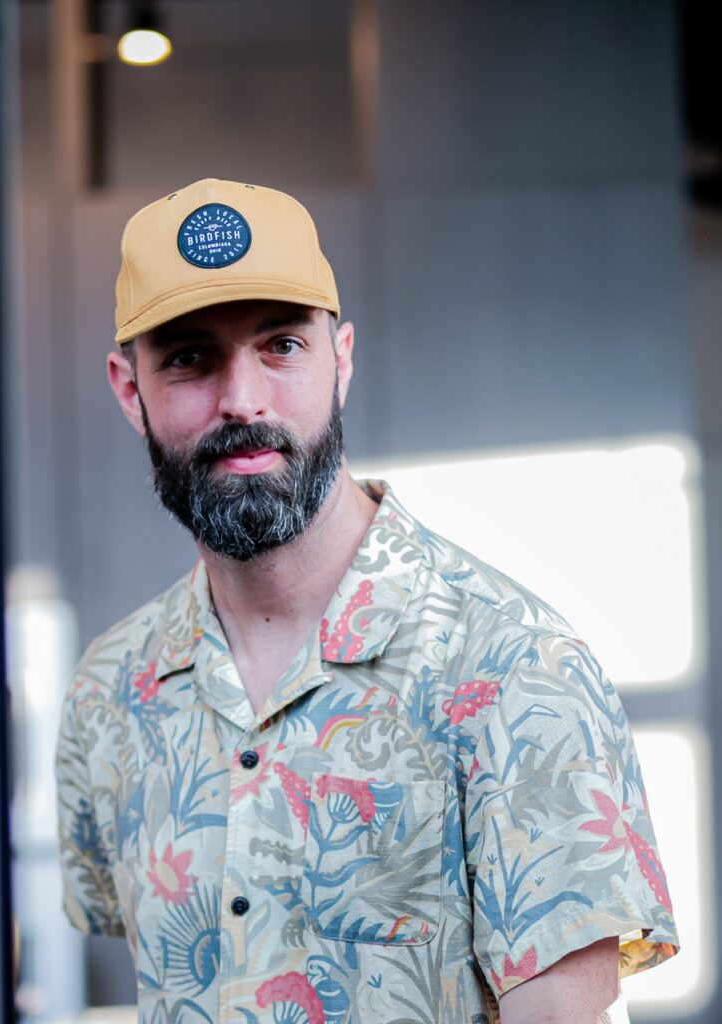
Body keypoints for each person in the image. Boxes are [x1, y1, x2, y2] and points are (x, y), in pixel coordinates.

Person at [55, 178, 679, 1024]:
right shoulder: (108, 693)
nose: (242, 399)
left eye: (280, 345)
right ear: (130, 390)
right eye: (190, 357)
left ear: (340, 359)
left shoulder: (513, 669)